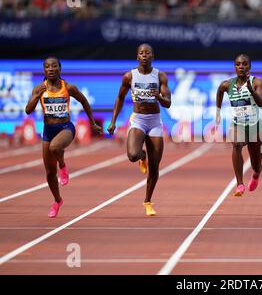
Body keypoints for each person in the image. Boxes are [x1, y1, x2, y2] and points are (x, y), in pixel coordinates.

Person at [25, 57, 102, 218]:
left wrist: (93, 123)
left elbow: (84, 101)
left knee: (55, 147)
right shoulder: (39, 89)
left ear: (60, 69)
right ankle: (57, 200)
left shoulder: (68, 87)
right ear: (44, 71)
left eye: (54, 66)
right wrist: (35, 97)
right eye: (47, 67)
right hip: (48, 130)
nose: (51, 69)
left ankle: (63, 165)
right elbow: (28, 110)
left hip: (66, 128)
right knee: (49, 173)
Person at [108, 44, 171, 216]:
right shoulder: (129, 76)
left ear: (152, 56)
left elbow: (168, 103)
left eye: (147, 53)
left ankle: (148, 201)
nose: (144, 56)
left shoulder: (160, 76)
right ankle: (142, 157)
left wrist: (158, 96)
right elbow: (120, 97)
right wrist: (113, 121)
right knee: (132, 155)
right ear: (137, 57)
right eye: (141, 53)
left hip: (155, 121)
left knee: (155, 167)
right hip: (138, 120)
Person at [215, 54, 262, 196]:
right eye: (238, 64)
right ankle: (240, 184)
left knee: (256, 164)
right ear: (234, 67)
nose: (241, 67)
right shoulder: (227, 84)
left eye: (244, 64)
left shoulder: (257, 82)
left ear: (249, 66)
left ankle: (256, 173)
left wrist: (251, 91)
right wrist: (218, 111)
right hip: (238, 125)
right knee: (236, 144)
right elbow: (220, 90)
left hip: (255, 127)